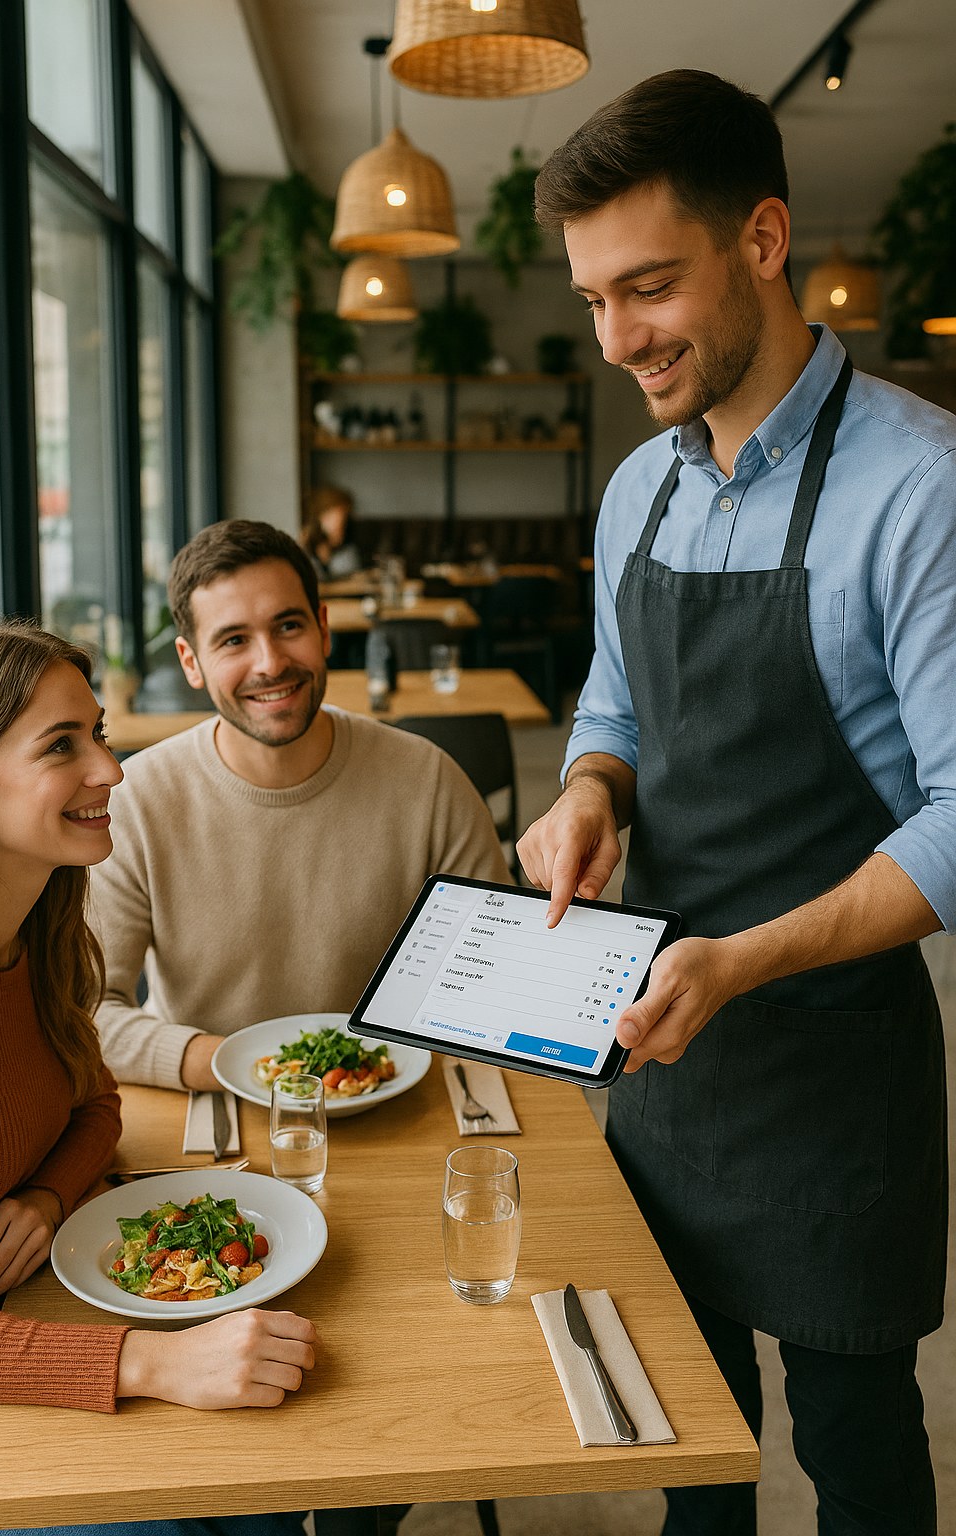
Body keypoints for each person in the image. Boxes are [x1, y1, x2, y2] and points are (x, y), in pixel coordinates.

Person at [519, 69, 953, 1536]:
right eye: (592, 299)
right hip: (660, 1060)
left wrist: (750, 956)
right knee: (689, 1445)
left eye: (648, 287)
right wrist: (589, 784)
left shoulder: (923, 486)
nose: (617, 338)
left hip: (835, 1072)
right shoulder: (635, 489)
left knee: (857, 1449)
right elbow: (618, 695)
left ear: (764, 239)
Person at [0, 621, 317, 1536]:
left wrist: (45, 1195)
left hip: (19, 1311)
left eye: (97, 732)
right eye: (62, 746)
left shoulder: (45, 929)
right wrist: (149, 1365)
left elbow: (95, 1107)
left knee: (264, 1490)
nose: (111, 768)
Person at [90, 520, 508, 1091]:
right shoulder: (138, 799)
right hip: (209, 1113)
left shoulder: (429, 780)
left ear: (324, 627)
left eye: (288, 626)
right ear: (191, 662)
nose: (269, 662)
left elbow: (497, 981)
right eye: (233, 640)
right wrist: (253, 1068)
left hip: (398, 1102)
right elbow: (86, 1012)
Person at [299, 486, 363, 581]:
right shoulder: (305, 543)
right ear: (321, 515)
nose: (341, 522)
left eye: (345, 517)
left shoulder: (347, 542)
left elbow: (353, 574)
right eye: (336, 514)